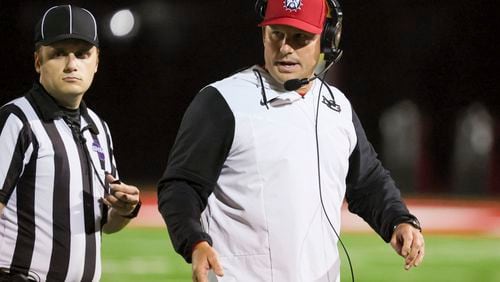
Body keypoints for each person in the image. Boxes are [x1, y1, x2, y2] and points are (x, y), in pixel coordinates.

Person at [157, 0, 424, 281]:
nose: (285, 48)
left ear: (327, 40)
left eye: (300, 37)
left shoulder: (337, 106)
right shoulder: (221, 102)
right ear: (263, 34)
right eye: (277, 34)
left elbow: (367, 181)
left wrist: (398, 220)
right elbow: (180, 186)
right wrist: (195, 242)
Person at [0, 5, 141, 282]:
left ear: (97, 62)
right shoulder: (17, 120)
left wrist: (124, 210)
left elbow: (105, 223)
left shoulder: (99, 128)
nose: (71, 64)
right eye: (58, 54)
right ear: (38, 61)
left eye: (82, 54)